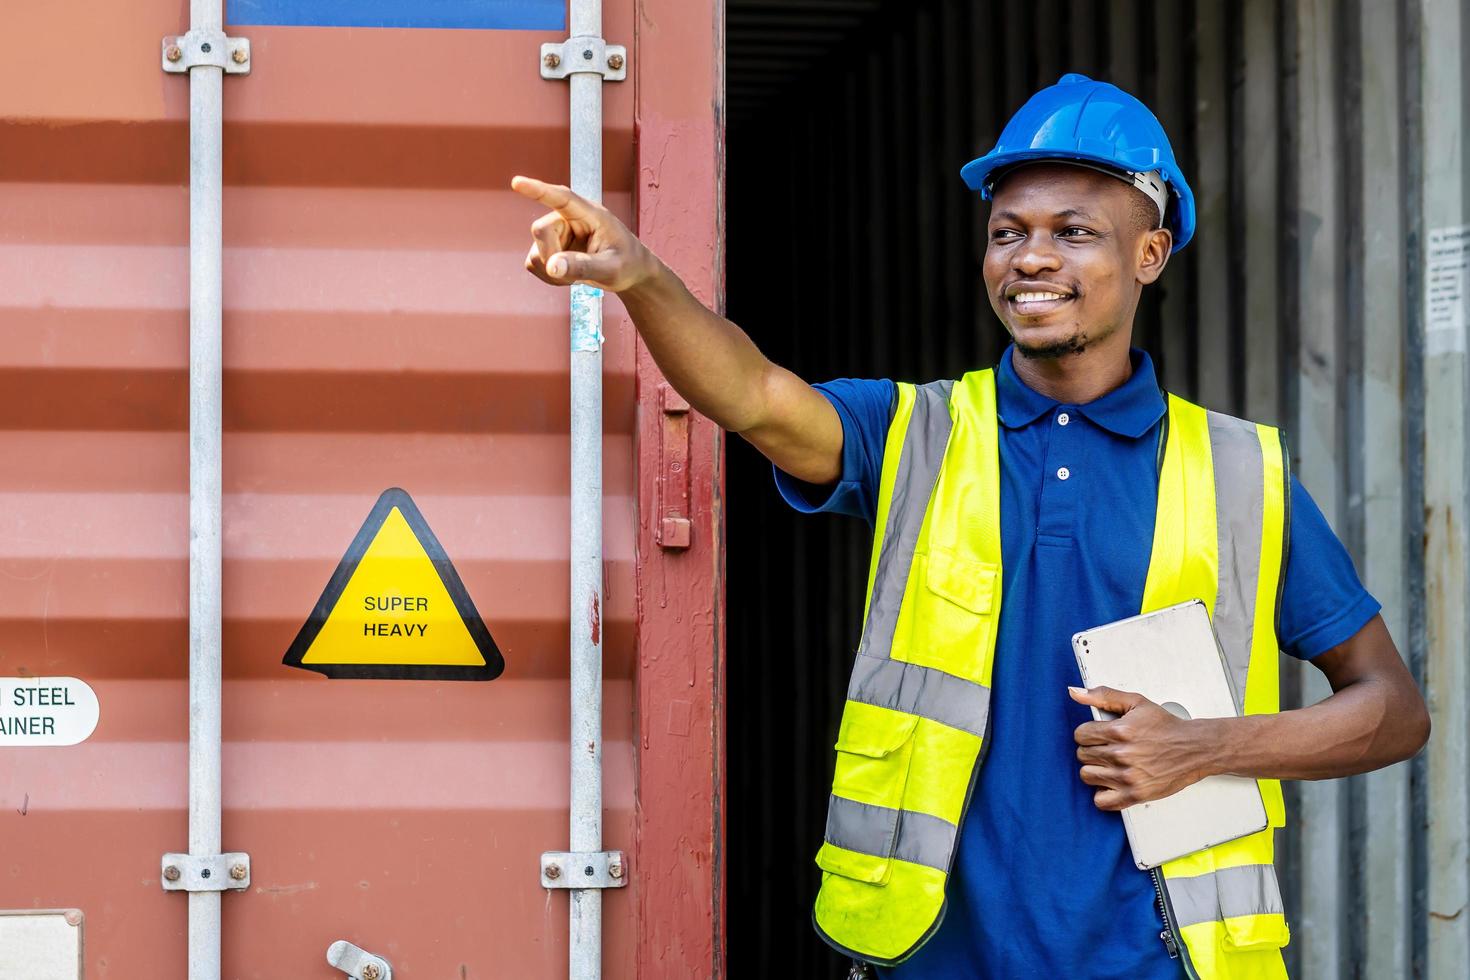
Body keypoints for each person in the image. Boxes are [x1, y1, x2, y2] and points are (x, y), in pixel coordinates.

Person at [512, 73, 1430, 980]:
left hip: (1155, 961)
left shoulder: (1241, 473)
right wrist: (638, 277)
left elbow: (1392, 709)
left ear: (1150, 254)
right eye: (1007, 234)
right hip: (936, 960)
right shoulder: (916, 433)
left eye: (1074, 233)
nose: (1030, 259)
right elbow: (752, 394)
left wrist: (1206, 747)